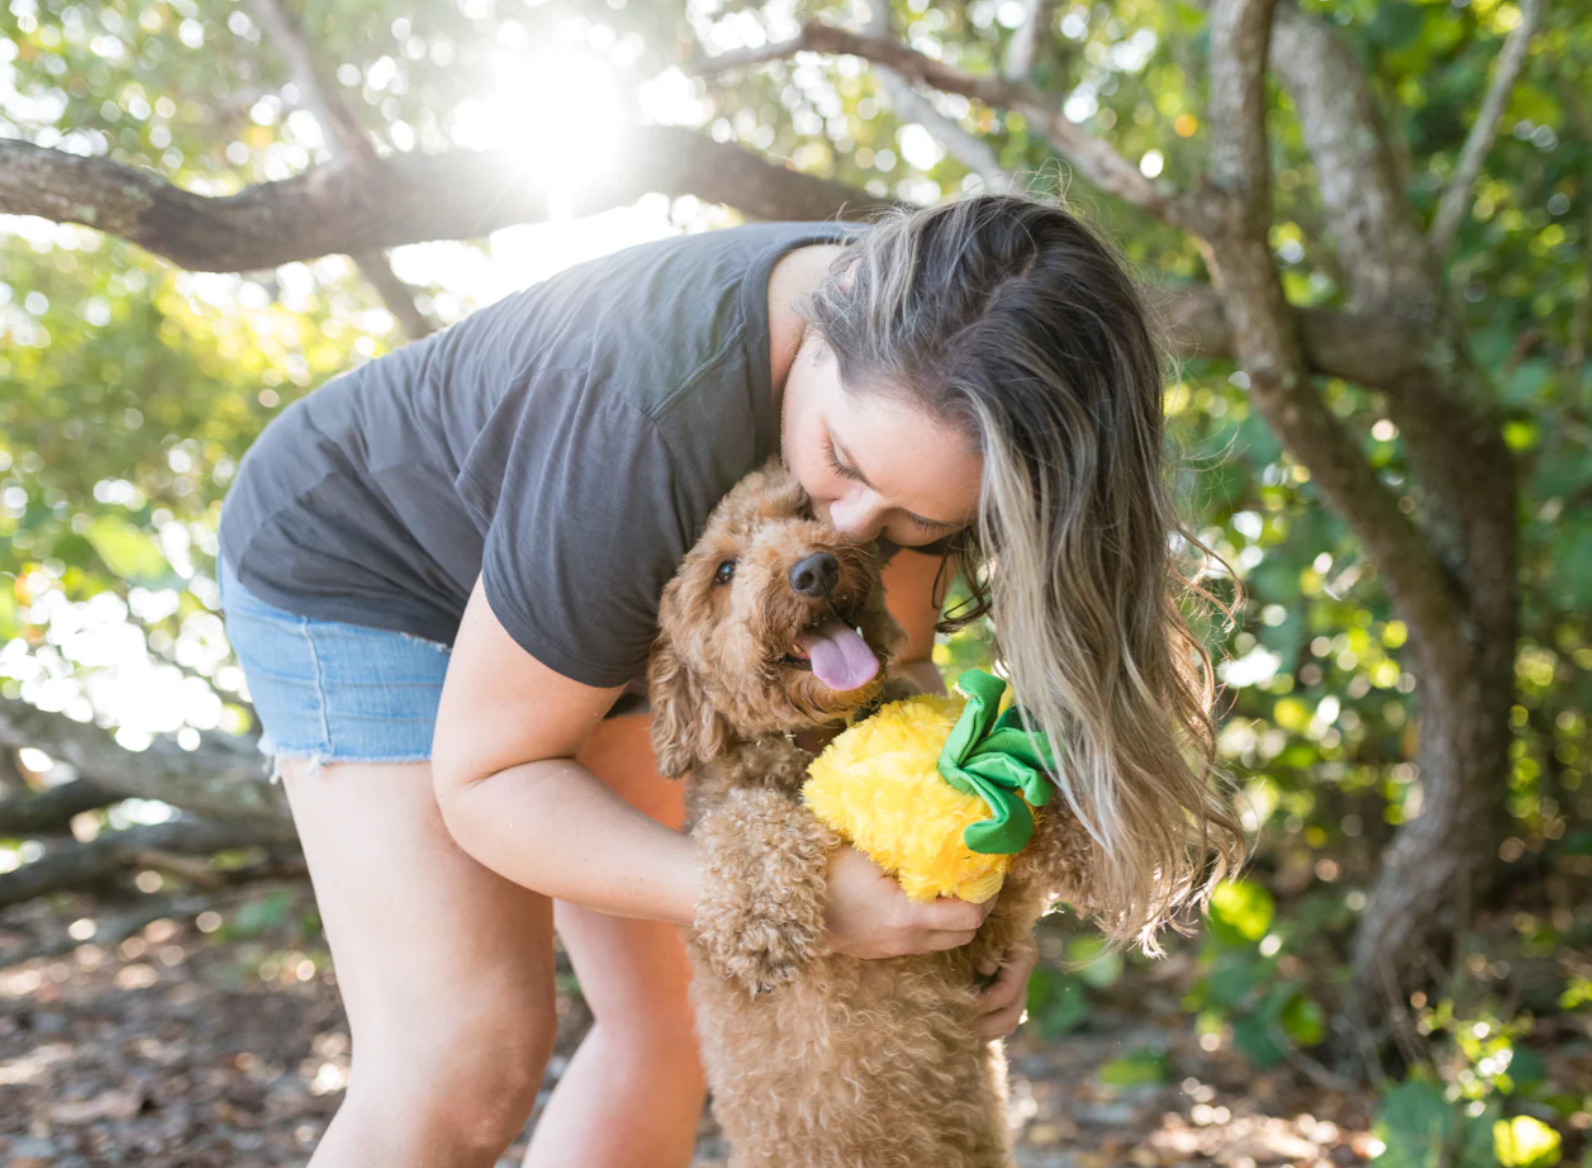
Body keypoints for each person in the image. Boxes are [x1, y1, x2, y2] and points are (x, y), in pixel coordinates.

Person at [214, 189, 1245, 1168]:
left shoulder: (961, 357)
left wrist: (967, 902)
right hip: (364, 563)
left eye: (911, 524)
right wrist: (783, 895)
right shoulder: (646, 422)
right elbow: (489, 776)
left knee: (670, 1019)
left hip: (607, 605)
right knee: (464, 1060)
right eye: (839, 457)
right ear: (823, 326)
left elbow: (893, 680)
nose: (848, 530)